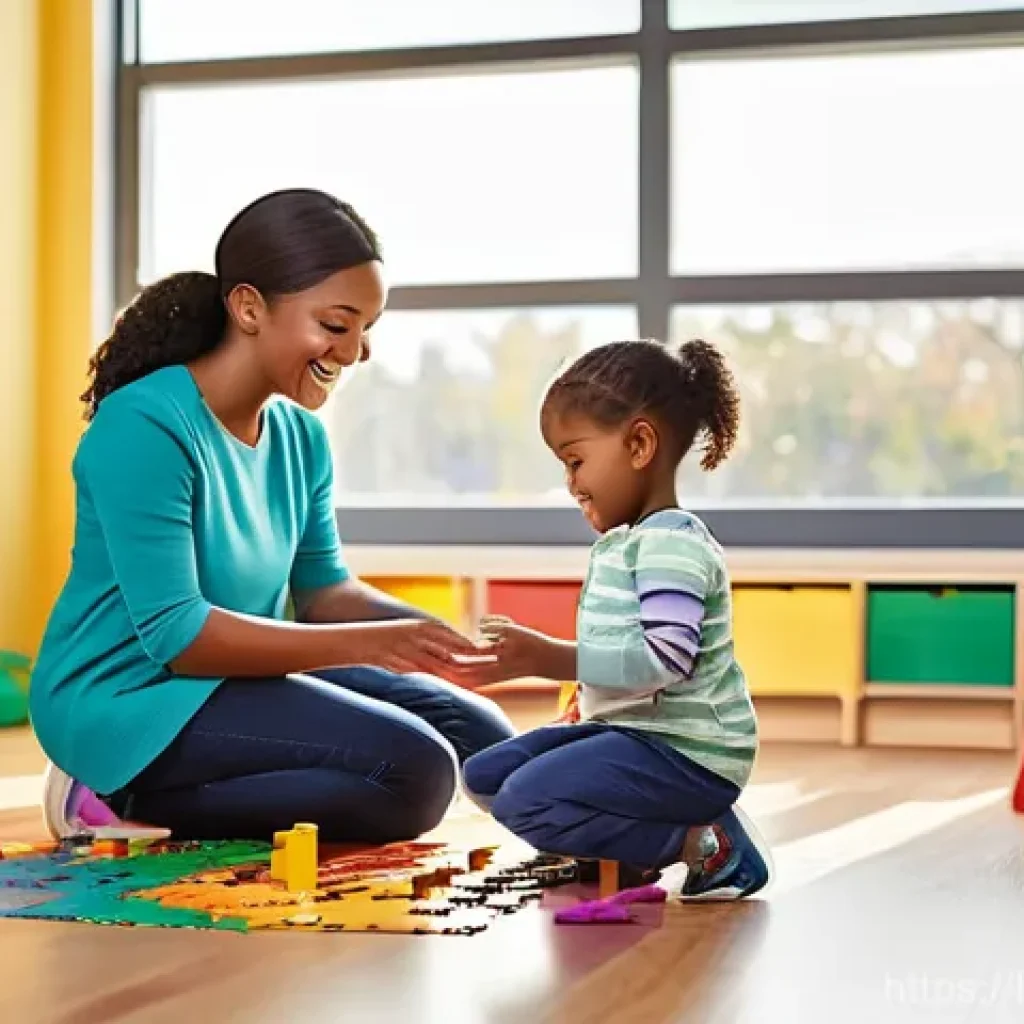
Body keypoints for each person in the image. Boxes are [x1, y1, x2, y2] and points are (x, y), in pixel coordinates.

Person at [30, 187, 514, 843]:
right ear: (250, 308)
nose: (355, 352)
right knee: (417, 772)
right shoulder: (143, 427)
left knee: (480, 732)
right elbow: (180, 638)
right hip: (126, 696)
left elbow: (323, 591)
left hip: (229, 677)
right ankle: (115, 792)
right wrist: (372, 644)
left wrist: (433, 637)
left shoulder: (299, 437)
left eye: (366, 329)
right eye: (337, 325)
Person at [463, 338, 773, 899]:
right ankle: (620, 850)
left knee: (523, 800)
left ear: (638, 444)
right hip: (634, 736)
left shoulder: (672, 546)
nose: (571, 482)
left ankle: (705, 844)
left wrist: (547, 658)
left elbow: (664, 660)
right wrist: (585, 705)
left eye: (575, 461)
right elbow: (621, 653)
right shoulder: (631, 542)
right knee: (484, 777)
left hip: (688, 757)